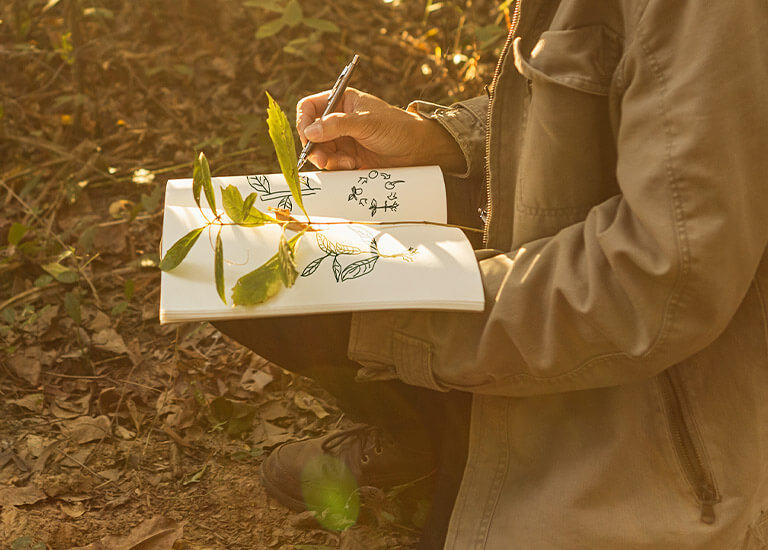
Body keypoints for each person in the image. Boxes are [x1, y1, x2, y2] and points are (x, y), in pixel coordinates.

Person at [217, 0, 768, 547]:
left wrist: (404, 315)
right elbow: (590, 94)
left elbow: (663, 279)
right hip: (573, 278)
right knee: (239, 260)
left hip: (674, 396)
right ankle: (428, 435)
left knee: (315, 297)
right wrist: (433, 140)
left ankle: (460, 435)